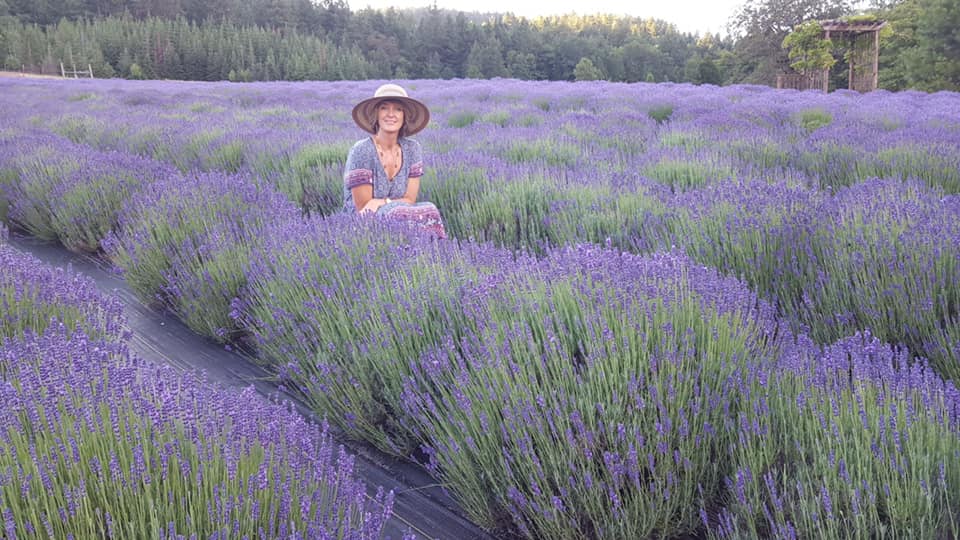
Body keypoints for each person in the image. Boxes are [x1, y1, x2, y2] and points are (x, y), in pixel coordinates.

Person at [342, 83, 446, 238]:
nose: (391, 114)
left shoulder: (412, 149)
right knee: (397, 213)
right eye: (384, 108)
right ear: (376, 114)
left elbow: (410, 199)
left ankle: (431, 251)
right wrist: (393, 207)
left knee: (430, 209)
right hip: (362, 224)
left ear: (404, 116)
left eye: (398, 109)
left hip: (400, 214)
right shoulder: (362, 150)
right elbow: (364, 208)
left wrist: (386, 203)